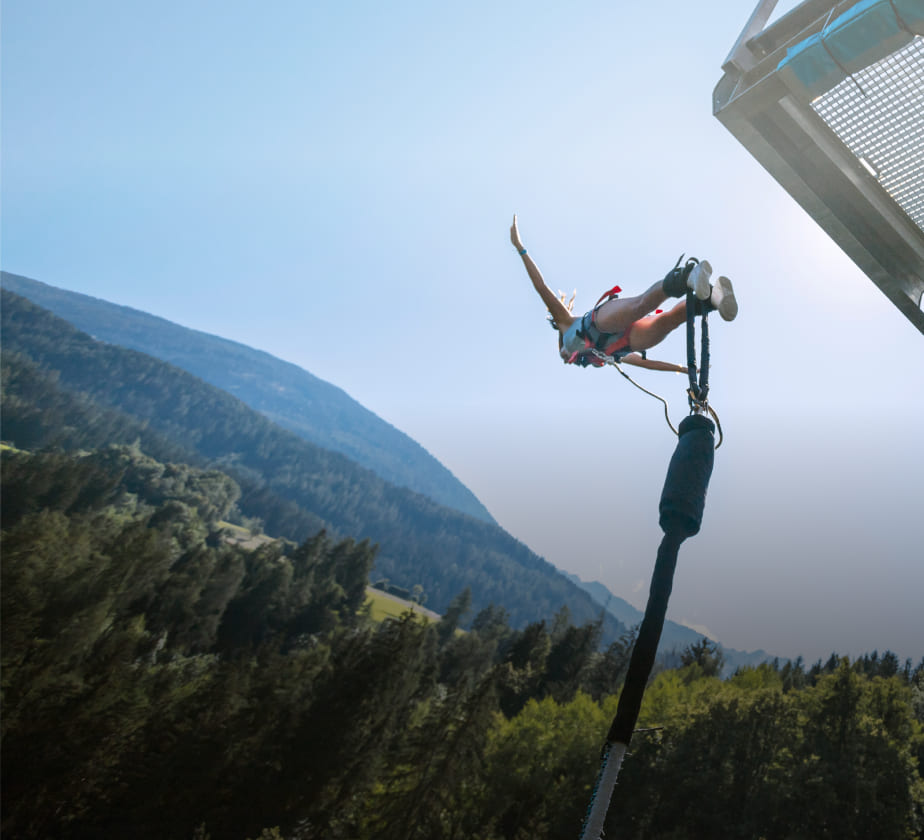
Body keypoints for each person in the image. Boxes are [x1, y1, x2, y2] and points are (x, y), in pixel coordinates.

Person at [510, 214, 736, 371]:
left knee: (641, 306)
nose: (564, 359)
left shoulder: (565, 323)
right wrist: (683, 369)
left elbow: (540, 287)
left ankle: (686, 276)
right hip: (625, 342)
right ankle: (712, 299)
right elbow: (646, 364)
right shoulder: (603, 358)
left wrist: (520, 248)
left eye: (563, 354)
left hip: (600, 322)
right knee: (669, 321)